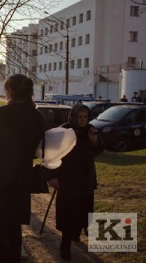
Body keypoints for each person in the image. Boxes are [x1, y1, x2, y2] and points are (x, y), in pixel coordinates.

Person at [0, 74, 44, 263]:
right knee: (14, 229)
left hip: (2, 178)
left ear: (11, 91)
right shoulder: (37, 116)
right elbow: (37, 148)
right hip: (22, 179)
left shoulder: (5, 113)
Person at [47, 103, 103, 261]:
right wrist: (52, 176)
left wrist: (94, 142)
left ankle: (76, 234)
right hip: (68, 180)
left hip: (85, 179)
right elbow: (52, 155)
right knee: (68, 214)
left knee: (83, 210)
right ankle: (65, 245)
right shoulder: (64, 131)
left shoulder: (91, 130)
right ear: (74, 116)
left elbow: (98, 150)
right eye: (80, 117)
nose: (83, 120)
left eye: (85, 117)